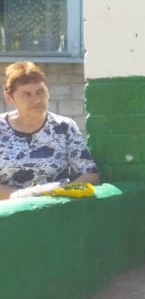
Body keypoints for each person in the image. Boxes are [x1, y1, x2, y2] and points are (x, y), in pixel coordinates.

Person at [0, 61, 99, 200]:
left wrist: (60, 194)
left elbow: (90, 175)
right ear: (9, 98)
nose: (36, 100)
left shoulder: (64, 127)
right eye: (26, 94)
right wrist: (24, 196)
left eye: (40, 92)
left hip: (54, 208)